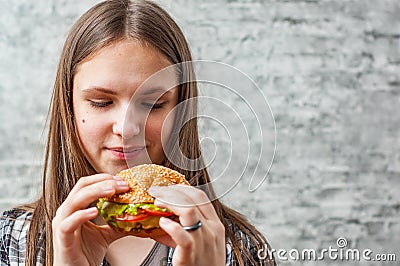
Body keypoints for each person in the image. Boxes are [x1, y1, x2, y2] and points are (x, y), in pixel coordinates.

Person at [0, 0, 276, 265]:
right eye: (101, 102)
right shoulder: (12, 240)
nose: (126, 128)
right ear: (69, 106)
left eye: (153, 104)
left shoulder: (236, 250)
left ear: (181, 109)